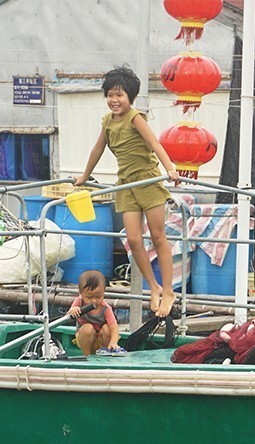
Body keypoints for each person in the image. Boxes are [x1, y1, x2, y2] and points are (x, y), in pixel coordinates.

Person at [74, 67, 180, 317]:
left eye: (119, 95)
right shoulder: (107, 122)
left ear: (129, 97)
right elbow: (97, 150)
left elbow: (155, 143)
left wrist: (170, 168)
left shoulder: (135, 117)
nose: (114, 100)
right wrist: (84, 175)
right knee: (133, 239)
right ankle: (152, 287)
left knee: (158, 236)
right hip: (126, 184)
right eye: (110, 95)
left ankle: (168, 291)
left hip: (148, 181)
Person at [67, 270, 121, 356]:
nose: (94, 300)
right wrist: (73, 310)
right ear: (81, 293)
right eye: (89, 297)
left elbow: (114, 327)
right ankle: (87, 355)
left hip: (101, 338)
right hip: (84, 338)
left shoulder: (105, 308)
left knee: (107, 328)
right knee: (87, 328)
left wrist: (114, 342)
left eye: (99, 296)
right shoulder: (79, 302)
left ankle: (107, 351)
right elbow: (68, 315)